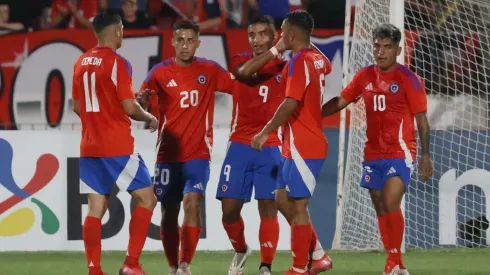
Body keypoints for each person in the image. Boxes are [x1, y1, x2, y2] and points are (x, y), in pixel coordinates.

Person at [321, 23, 434, 275]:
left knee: (390, 200)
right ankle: (398, 264)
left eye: (387, 47)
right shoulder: (365, 76)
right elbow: (342, 100)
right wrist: (315, 116)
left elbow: (422, 121)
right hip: (372, 153)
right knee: (379, 204)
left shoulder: (409, 79)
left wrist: (425, 155)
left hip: (400, 150)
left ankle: (392, 261)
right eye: (377, 46)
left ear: (398, 49)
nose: (380, 52)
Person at [137, 20, 235, 275]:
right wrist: (145, 107)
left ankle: (184, 265)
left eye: (190, 40)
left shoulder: (210, 70)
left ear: (198, 43)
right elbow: (142, 99)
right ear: (173, 42)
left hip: (198, 154)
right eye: (180, 40)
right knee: (169, 211)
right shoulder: (159, 72)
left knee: (193, 202)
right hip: (167, 154)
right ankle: (172, 266)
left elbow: (240, 89)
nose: (185, 45)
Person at [71, 12, 158, 275]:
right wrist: (149, 116)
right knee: (147, 198)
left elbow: (77, 106)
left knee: (96, 207)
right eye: (121, 29)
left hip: (89, 145)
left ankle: (94, 269)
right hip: (117, 144)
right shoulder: (119, 63)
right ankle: (131, 264)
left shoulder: (80, 61)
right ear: (117, 30)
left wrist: (99, 118)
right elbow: (130, 108)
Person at [251, 10, 333, 275]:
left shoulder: (299, 62)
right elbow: (326, 66)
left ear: (291, 34)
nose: (278, 36)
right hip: (293, 145)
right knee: (281, 200)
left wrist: (265, 132)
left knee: (298, 208)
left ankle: (299, 268)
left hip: (304, 144)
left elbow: (290, 103)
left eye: (282, 30)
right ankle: (318, 255)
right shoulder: (316, 58)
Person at [214, 15, 284, 275]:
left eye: (263, 34)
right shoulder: (239, 61)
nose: (257, 40)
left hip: (272, 143)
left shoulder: (287, 67)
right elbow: (246, 75)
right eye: (252, 35)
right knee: (229, 210)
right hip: (240, 144)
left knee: (268, 206)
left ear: (274, 34)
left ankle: (265, 266)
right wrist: (277, 51)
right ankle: (242, 249)